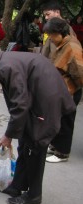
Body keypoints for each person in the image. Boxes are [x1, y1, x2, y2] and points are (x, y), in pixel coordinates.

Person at [0, 43, 76, 204]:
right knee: (24, 144)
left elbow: (20, 105)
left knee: (35, 146)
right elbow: (20, 103)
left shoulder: (6, 68)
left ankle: (34, 194)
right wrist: (14, 132)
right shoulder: (5, 60)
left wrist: (8, 136)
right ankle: (17, 186)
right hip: (39, 98)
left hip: (46, 104)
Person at [42, 18, 83, 163]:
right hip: (61, 89)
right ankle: (55, 145)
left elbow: (79, 73)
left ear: (60, 32)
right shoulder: (62, 43)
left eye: (52, 35)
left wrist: (73, 89)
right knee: (57, 118)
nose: (51, 39)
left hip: (70, 91)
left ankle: (62, 153)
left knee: (66, 121)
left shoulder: (72, 46)